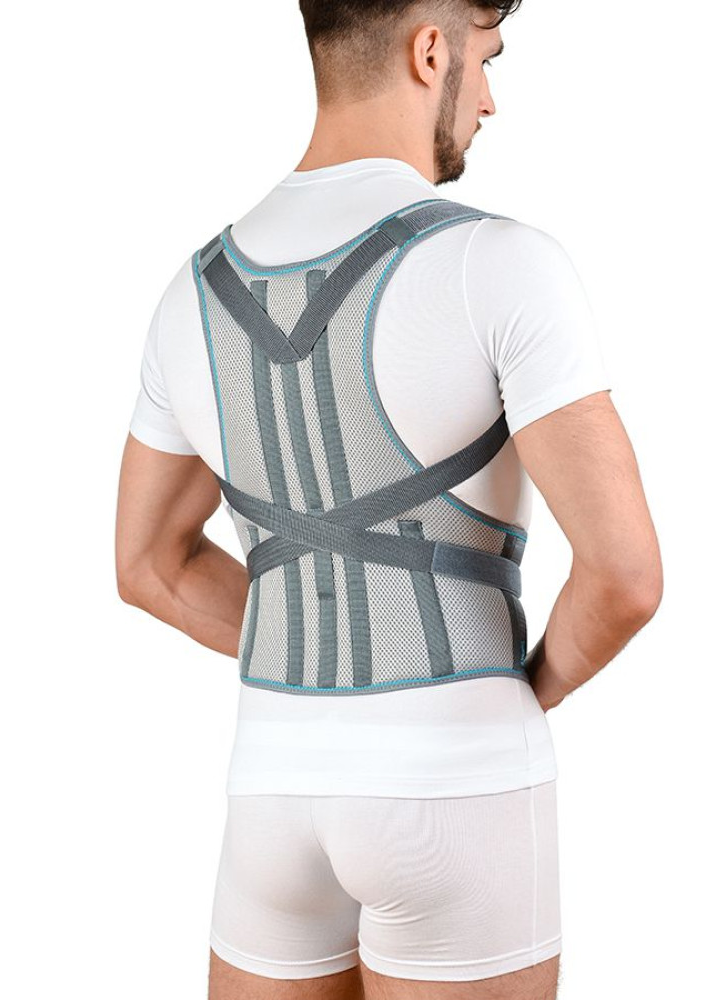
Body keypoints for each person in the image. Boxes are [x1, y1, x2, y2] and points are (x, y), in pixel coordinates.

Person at [114, 1, 663, 997]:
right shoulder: (501, 265)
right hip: (457, 786)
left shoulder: (186, 297)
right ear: (429, 49)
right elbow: (625, 575)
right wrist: (511, 690)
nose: (488, 100)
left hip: (273, 787)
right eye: (486, 59)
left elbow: (147, 565)